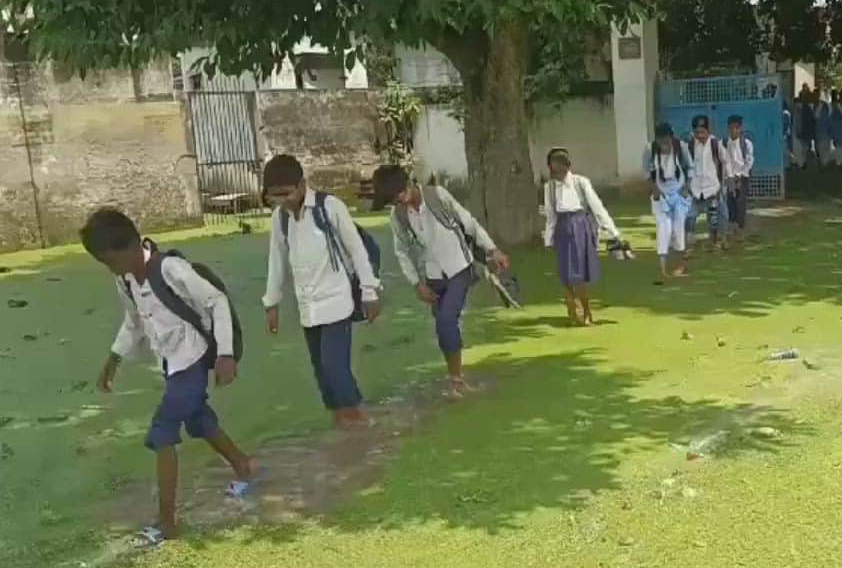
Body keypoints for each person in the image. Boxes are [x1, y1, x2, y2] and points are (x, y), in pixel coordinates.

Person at [82, 208, 252, 546]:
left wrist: (226, 355)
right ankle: (244, 466)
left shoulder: (171, 269)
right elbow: (134, 322)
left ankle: (167, 522)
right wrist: (113, 360)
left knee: (163, 432)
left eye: (111, 260)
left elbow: (216, 301)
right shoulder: (125, 280)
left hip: (193, 360)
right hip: (170, 364)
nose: (110, 269)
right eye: (104, 263)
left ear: (132, 246)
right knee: (199, 420)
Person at [262, 154, 381, 429]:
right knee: (321, 370)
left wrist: (370, 291)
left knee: (334, 366)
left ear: (302, 185)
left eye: (286, 193)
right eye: (275, 196)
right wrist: (272, 302)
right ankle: (340, 419)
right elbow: (277, 260)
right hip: (308, 306)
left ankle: (361, 420)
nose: (282, 201)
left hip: (337, 300)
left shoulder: (330, 207)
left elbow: (357, 250)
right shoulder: (280, 219)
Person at [374, 167, 510, 399]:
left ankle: (456, 382)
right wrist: (417, 284)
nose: (399, 201)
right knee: (443, 328)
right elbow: (402, 251)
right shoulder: (399, 215)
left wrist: (492, 249)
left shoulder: (437, 195)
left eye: (399, 195)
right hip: (433, 277)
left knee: (447, 321)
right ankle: (455, 376)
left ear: (408, 184)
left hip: (460, 268)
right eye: (393, 200)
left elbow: (469, 223)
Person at [543, 147, 621, 326]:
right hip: (562, 229)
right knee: (565, 273)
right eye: (552, 169)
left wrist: (613, 231)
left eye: (558, 168)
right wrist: (548, 239)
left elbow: (597, 208)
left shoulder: (580, 183)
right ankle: (572, 308)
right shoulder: (550, 188)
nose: (556, 173)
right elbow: (551, 216)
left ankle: (586, 311)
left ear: (566, 166)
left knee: (579, 273)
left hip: (580, 227)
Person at [643, 122, 692, 283]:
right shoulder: (650, 149)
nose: (664, 145)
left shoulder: (681, 147)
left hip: (678, 191)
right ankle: (663, 268)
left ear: (671, 138)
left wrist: (686, 188)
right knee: (663, 228)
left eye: (667, 141)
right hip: (660, 192)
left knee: (678, 228)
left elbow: (691, 168)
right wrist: (654, 189)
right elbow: (646, 172)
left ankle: (680, 265)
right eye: (661, 142)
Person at [684, 114, 732, 251]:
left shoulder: (715, 144)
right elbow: (687, 165)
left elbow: (726, 161)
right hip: (696, 188)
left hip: (713, 187)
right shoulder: (691, 145)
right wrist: (687, 185)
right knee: (690, 215)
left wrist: (728, 178)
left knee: (717, 216)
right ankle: (689, 242)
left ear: (708, 130)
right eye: (697, 132)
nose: (700, 135)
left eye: (702, 132)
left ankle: (720, 240)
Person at [723, 115, 754, 240]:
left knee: (740, 201)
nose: (733, 131)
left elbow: (749, 161)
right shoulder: (724, 143)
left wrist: (740, 176)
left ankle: (740, 226)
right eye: (731, 128)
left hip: (742, 176)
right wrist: (730, 177)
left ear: (740, 128)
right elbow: (725, 161)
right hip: (729, 176)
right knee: (730, 200)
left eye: (736, 128)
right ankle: (732, 223)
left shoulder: (746, 144)